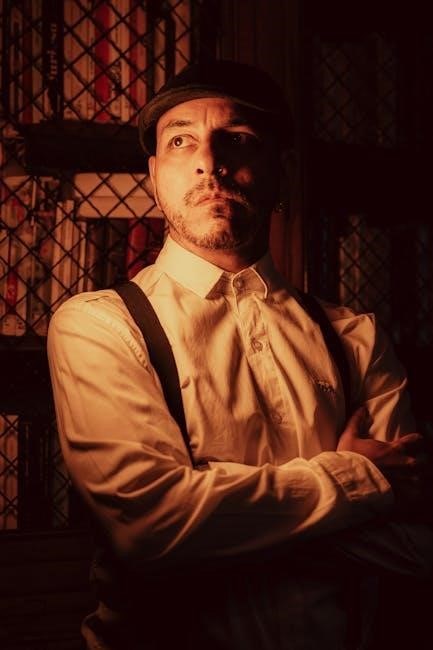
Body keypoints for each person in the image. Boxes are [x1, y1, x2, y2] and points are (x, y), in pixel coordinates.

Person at [47, 61, 433, 650]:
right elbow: (150, 526)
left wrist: (213, 520)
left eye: (240, 138)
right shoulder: (100, 325)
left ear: (283, 170)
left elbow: (416, 545)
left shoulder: (355, 337)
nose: (209, 161)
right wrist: (361, 478)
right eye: (181, 141)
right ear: (154, 175)